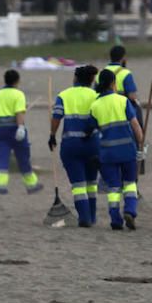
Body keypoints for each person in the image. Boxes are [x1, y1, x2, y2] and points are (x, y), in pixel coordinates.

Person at [87, 69, 145, 230]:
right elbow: (135, 126)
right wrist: (141, 145)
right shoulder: (123, 101)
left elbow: (91, 129)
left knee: (113, 187)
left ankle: (115, 219)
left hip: (107, 153)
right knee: (130, 183)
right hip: (127, 150)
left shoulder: (95, 105)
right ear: (113, 84)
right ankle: (130, 211)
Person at [49, 65, 99, 227]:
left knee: (78, 185)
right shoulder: (96, 95)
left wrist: (52, 135)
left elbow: (56, 117)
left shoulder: (63, 95)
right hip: (93, 144)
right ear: (91, 80)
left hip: (71, 146)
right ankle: (92, 216)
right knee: (91, 182)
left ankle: (84, 218)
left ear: (75, 78)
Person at [0, 69, 42, 195]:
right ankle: (31, 184)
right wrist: (20, 127)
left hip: (0, 130)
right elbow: (19, 113)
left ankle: (0, 185)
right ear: (17, 81)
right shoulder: (18, 94)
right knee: (23, 157)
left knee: (2, 158)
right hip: (14, 129)